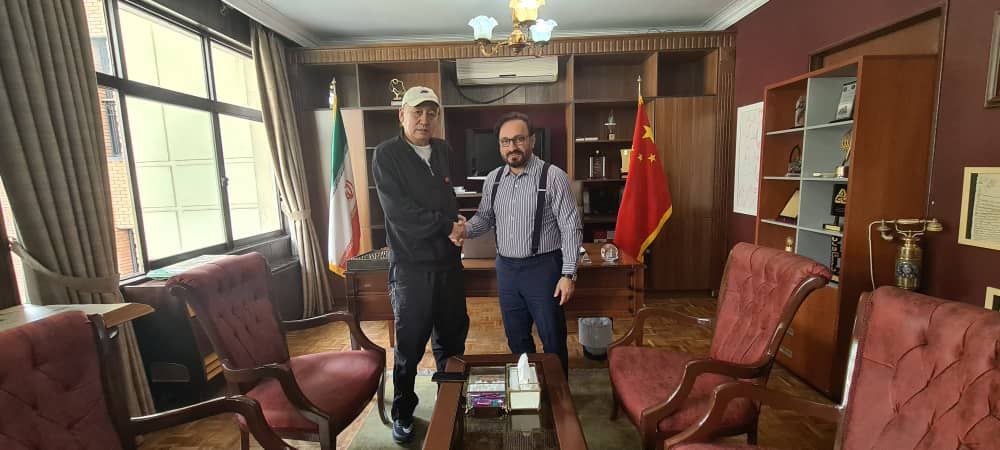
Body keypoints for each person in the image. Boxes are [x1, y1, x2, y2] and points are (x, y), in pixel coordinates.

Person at [371, 86, 468, 444]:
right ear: (402, 115)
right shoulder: (386, 155)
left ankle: (449, 404)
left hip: (448, 266)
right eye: (417, 112)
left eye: (431, 112)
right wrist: (447, 227)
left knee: (452, 341)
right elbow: (401, 213)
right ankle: (403, 412)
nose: (424, 119)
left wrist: (457, 222)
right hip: (411, 270)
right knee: (409, 348)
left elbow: (446, 199)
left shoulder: (443, 150)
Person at [460, 112, 582, 376]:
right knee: (516, 339)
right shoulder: (493, 179)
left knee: (552, 338)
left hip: (544, 269)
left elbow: (571, 227)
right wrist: (464, 230)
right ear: (499, 145)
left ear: (532, 141)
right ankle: (526, 388)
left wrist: (568, 274)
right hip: (506, 270)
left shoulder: (553, 176)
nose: (512, 147)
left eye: (518, 139)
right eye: (505, 141)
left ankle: (557, 394)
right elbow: (484, 218)